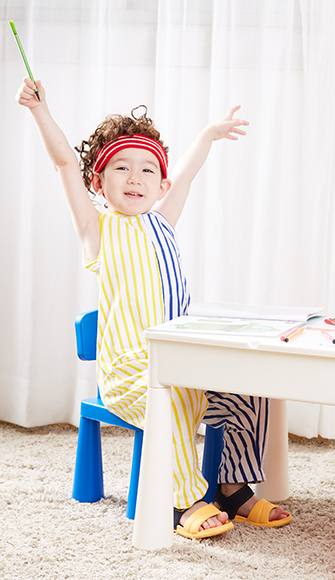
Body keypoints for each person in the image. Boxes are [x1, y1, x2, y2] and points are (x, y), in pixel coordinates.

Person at [16, 77, 292, 539]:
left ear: (160, 184)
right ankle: (181, 500)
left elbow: (186, 173)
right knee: (173, 397)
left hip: (180, 357)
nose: (134, 178)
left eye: (147, 170)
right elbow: (63, 161)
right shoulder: (97, 231)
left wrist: (208, 135)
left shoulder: (162, 221)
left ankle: (232, 487)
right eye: (120, 168)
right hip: (130, 370)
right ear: (97, 181)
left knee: (249, 386)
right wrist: (39, 110)